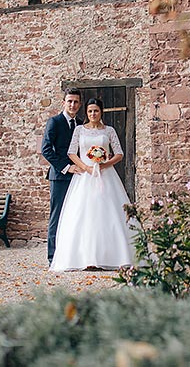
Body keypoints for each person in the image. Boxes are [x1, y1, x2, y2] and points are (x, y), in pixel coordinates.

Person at [49, 97, 135, 271]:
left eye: (96, 111)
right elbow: (72, 153)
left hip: (106, 175)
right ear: (86, 113)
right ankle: (86, 258)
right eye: (89, 111)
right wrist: (86, 168)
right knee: (84, 215)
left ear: (101, 112)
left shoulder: (109, 130)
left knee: (108, 214)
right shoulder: (80, 130)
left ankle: (111, 255)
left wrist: (103, 165)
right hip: (84, 175)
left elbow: (119, 153)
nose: (93, 114)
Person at [41, 87, 84, 265]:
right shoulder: (55, 122)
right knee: (57, 216)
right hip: (59, 177)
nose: (72, 105)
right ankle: (53, 258)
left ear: (80, 104)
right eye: (69, 101)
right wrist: (67, 167)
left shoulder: (81, 124)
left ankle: (73, 256)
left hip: (79, 177)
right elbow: (46, 150)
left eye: (75, 102)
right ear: (63, 102)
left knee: (77, 216)